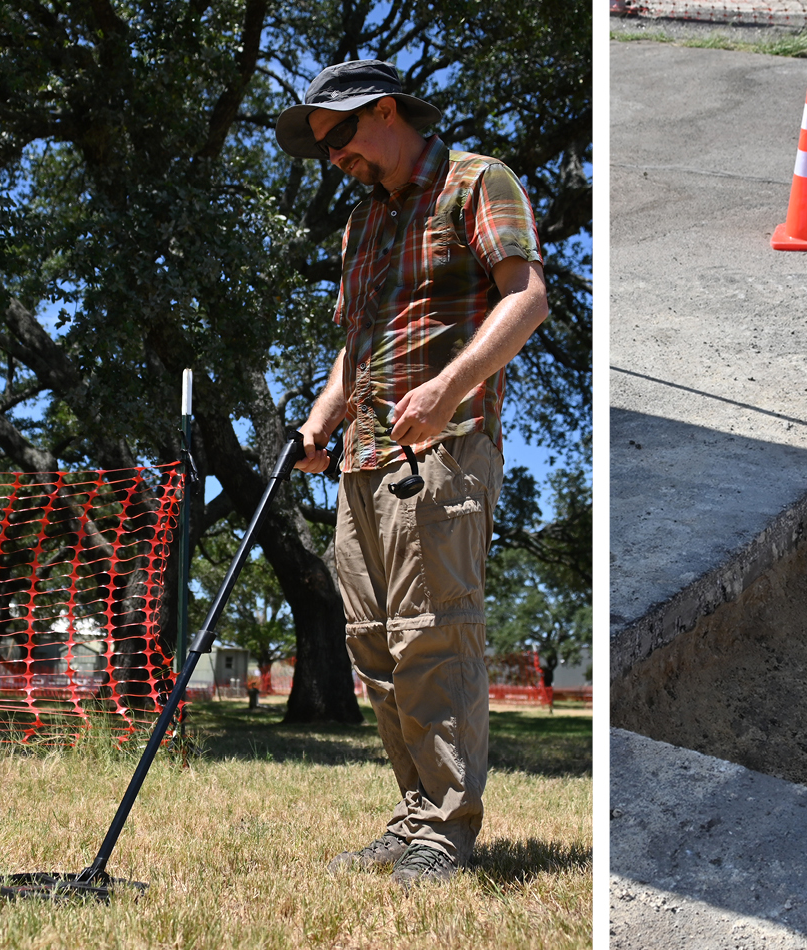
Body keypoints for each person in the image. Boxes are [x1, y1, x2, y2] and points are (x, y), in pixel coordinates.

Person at [273, 59, 548, 889]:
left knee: (436, 632)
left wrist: (446, 388)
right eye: (323, 147)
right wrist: (321, 419)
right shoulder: (362, 224)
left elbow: (528, 298)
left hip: (446, 445)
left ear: (387, 112)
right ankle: (413, 813)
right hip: (359, 458)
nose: (332, 159)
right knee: (373, 645)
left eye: (340, 138)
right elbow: (354, 347)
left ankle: (448, 828)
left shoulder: (477, 183)